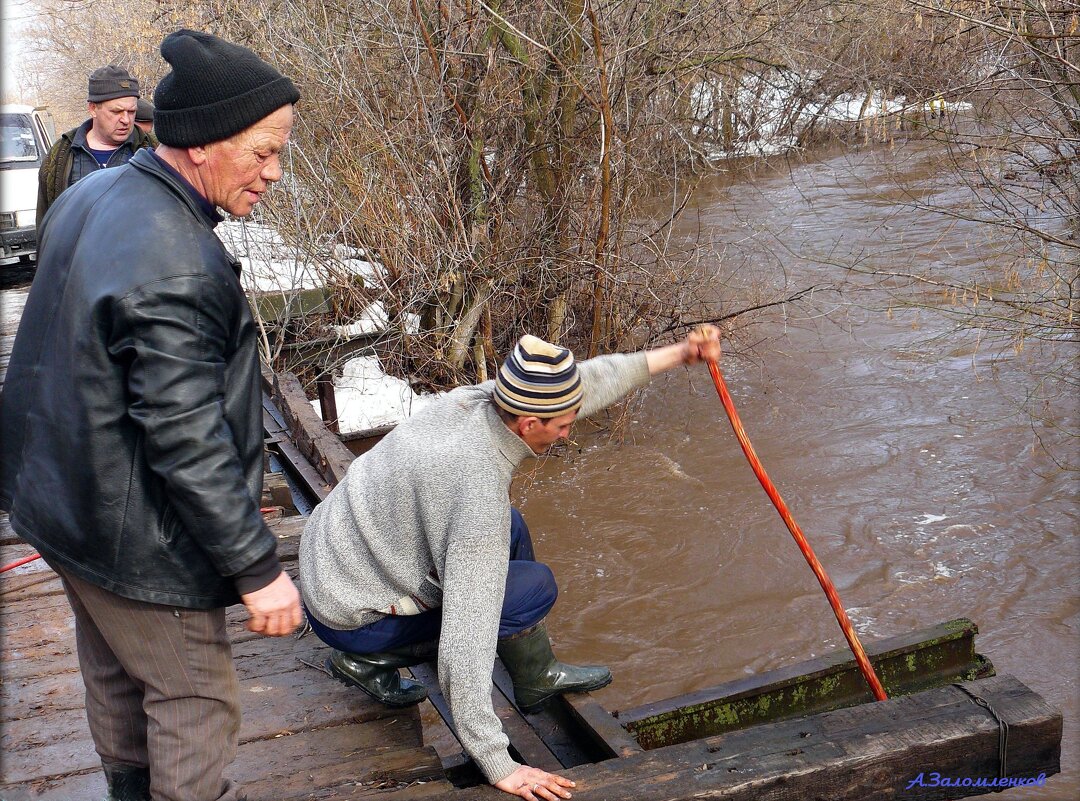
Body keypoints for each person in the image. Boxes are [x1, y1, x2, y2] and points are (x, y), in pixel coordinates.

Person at [1, 29, 303, 801]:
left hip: (60, 506)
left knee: (114, 667)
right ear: (201, 143)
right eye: (263, 150)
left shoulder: (89, 193)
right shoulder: (177, 258)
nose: (274, 171)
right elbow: (186, 434)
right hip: (135, 536)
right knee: (195, 695)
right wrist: (256, 567)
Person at [300, 327, 722, 800]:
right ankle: (371, 657)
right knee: (532, 586)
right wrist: (498, 763)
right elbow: (464, 642)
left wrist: (677, 355)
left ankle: (532, 673)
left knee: (513, 524)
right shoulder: (475, 489)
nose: (567, 434)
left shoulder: (478, 403)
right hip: (353, 613)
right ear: (527, 424)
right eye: (563, 426)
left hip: (331, 560)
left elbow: (591, 380)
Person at [36, 64, 155, 227]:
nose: (126, 120)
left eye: (131, 111)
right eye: (116, 112)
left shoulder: (153, 151)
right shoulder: (61, 156)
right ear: (92, 108)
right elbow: (46, 222)